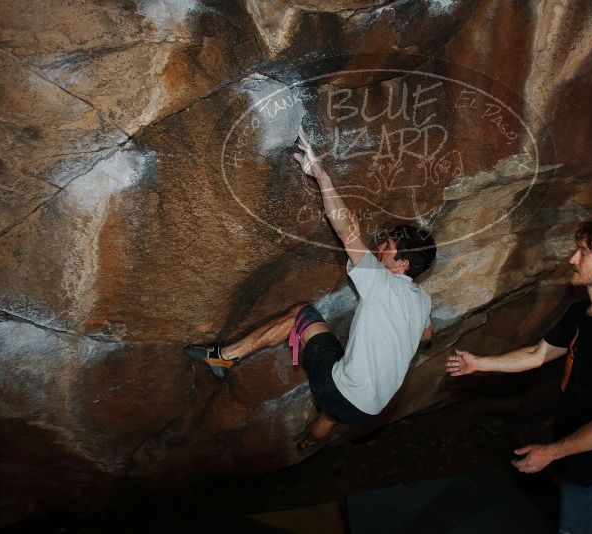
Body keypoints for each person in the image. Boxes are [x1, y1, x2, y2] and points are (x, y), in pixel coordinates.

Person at [185, 126, 436, 452]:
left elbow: (349, 232)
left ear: (401, 264)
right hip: (371, 410)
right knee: (332, 413)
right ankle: (308, 444)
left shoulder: (381, 281)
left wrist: (322, 177)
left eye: (386, 246)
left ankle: (224, 357)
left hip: (339, 389)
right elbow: (427, 337)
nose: (378, 247)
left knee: (301, 313)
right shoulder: (423, 300)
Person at [445, 219, 592, 533]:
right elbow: (537, 355)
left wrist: (550, 452)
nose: (573, 259)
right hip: (578, 460)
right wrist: (480, 363)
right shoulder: (581, 314)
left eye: (583, 253)